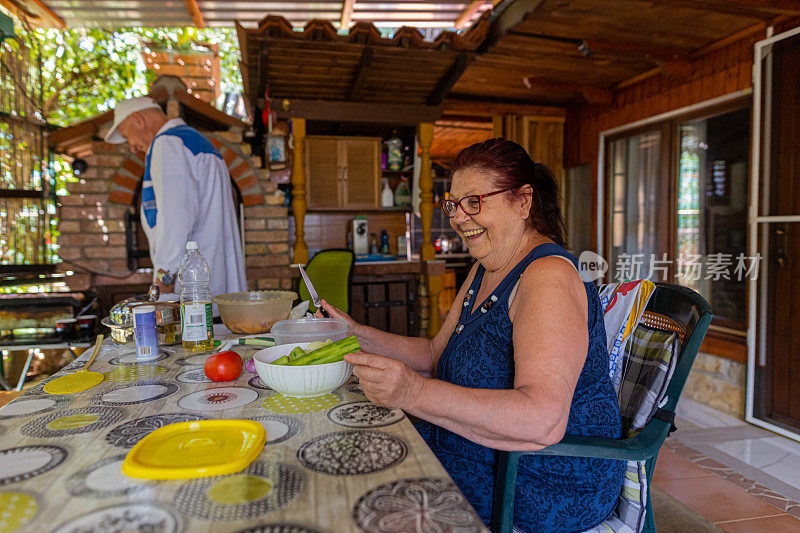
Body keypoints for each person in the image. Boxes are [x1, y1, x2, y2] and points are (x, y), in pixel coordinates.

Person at [318, 138, 624, 532]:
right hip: (487, 452)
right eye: (454, 204)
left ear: (523, 201)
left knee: (365, 487)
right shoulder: (486, 266)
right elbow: (433, 353)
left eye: (474, 202)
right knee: (350, 456)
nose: (459, 218)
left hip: (545, 479)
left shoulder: (547, 276)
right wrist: (356, 335)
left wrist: (412, 392)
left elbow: (543, 421)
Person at [104, 97, 246, 296]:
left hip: (193, 291)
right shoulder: (196, 142)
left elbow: (176, 217)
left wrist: (165, 276)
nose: (132, 147)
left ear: (138, 120)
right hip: (218, 284)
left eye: (128, 137)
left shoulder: (168, 144)